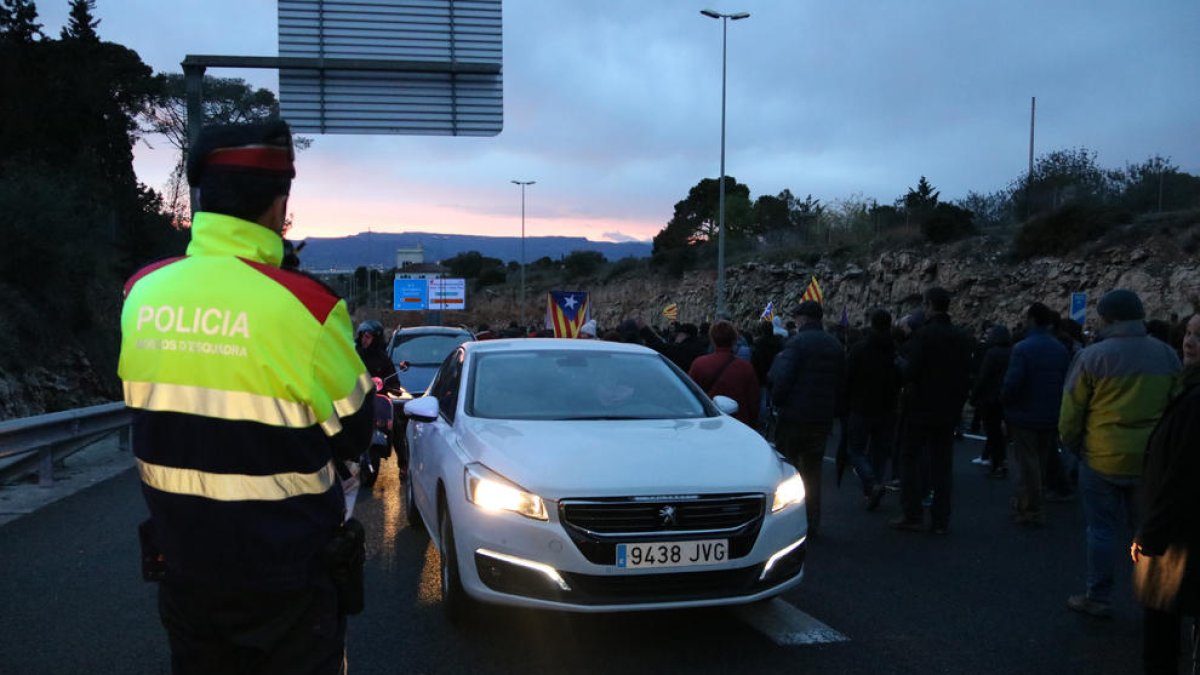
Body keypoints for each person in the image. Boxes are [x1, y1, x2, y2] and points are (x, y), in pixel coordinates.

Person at [119, 121, 373, 674]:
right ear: (279, 205)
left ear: (202, 197)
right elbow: (356, 429)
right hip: (285, 583)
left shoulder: (141, 292)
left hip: (184, 572)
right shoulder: (308, 308)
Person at [1060, 289, 1181, 618]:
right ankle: (1155, 597)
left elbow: (1071, 412)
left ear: (1108, 318)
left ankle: (1098, 596)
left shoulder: (1093, 356)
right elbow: (1176, 409)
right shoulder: (1167, 355)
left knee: (1100, 530)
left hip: (1101, 456)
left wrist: (1073, 447)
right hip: (1149, 460)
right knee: (1146, 530)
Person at [1132, 313, 1200, 674]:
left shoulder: (1195, 398)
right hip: (1176, 528)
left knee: (1161, 622)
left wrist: (1150, 534)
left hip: (1176, 534)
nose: (1189, 342)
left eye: (1199, 337)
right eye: (1188, 333)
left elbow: (1184, 474)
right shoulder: (1187, 386)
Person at [889, 287, 973, 535]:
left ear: (928, 305)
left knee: (910, 459)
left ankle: (912, 513)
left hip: (920, 408)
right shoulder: (961, 337)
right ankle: (940, 519)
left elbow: (911, 372)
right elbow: (965, 375)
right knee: (942, 465)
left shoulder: (923, 336)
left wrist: (900, 364)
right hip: (948, 409)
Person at [768, 301, 846, 536]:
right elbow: (842, 382)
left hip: (793, 415)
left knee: (787, 471)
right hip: (821, 417)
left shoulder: (796, 343)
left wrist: (777, 403)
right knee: (813, 470)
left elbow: (782, 378)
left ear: (802, 318)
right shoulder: (835, 345)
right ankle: (812, 520)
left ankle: (788, 521)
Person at [1001, 302, 1070, 527]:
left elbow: (1013, 383)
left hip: (1025, 414)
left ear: (1031, 319)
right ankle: (1029, 501)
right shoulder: (1060, 348)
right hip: (1050, 414)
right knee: (1039, 461)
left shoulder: (1022, 348)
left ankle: (1030, 508)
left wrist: (1006, 404)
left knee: (1027, 463)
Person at [843, 309, 901, 510]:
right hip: (887, 407)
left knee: (856, 450)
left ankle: (871, 483)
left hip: (861, 406)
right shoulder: (895, 350)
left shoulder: (860, 349)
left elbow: (848, 376)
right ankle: (873, 488)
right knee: (879, 451)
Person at [688, 320, 759, 427]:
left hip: (707, 421)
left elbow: (690, 395)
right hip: (738, 423)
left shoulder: (699, 364)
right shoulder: (745, 367)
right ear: (734, 339)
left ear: (712, 339)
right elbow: (753, 400)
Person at [970, 325, 1012, 479]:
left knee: (993, 431)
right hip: (1005, 396)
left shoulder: (992, 353)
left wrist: (974, 395)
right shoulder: (1012, 352)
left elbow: (983, 376)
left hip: (990, 398)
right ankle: (1001, 462)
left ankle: (997, 463)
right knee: (999, 432)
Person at [355, 320, 401, 394]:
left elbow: (394, 384)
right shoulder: (354, 355)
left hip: (377, 400)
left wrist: (382, 384)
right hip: (356, 399)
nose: (364, 340)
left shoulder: (383, 359)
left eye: (367, 337)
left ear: (375, 339)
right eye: (362, 336)